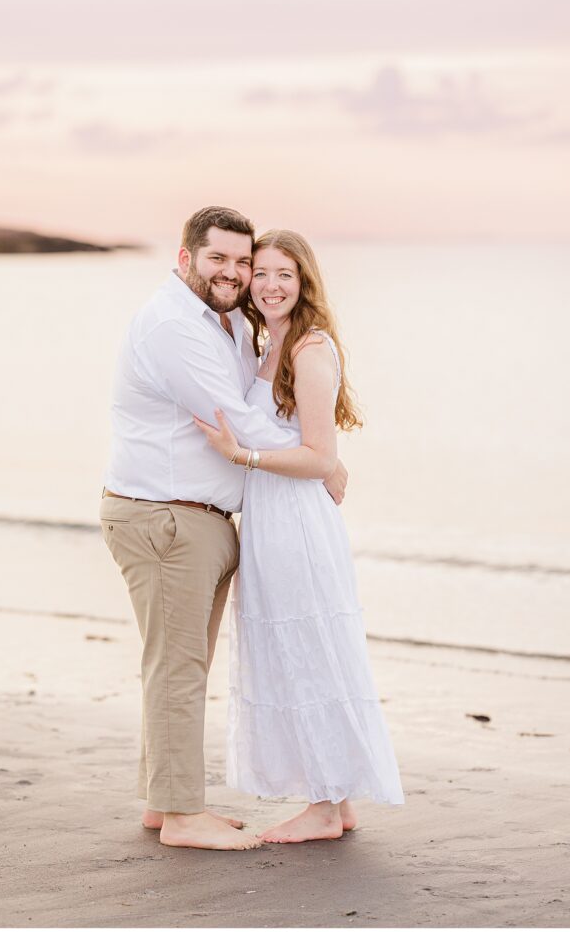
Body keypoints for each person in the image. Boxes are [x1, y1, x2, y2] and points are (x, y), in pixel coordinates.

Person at [100, 206, 347, 851]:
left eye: (245, 261)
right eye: (221, 259)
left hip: (197, 519)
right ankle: (182, 815)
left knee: (180, 664)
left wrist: (315, 460)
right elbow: (235, 420)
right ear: (185, 258)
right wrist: (322, 463)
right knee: (179, 668)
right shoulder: (174, 329)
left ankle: (164, 803)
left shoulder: (227, 324)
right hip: (166, 516)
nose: (235, 273)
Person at [194, 229, 404, 844]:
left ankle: (324, 805)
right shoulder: (268, 342)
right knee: (295, 654)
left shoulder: (309, 348)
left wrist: (244, 455)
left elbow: (317, 456)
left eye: (284, 274)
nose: (270, 285)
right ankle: (336, 802)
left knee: (310, 652)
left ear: (304, 280)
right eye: (260, 273)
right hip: (271, 519)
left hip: (296, 523)